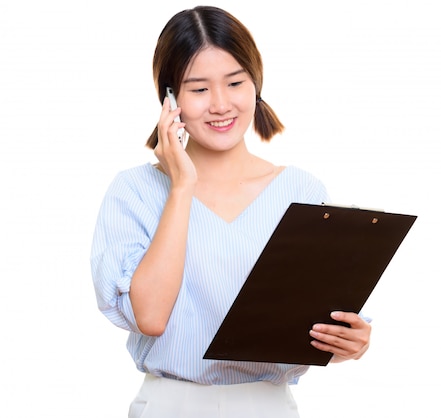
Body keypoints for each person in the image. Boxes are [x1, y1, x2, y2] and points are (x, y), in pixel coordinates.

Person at [90, 6, 371, 418]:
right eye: (198, 89)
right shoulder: (135, 191)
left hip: (269, 405)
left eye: (235, 82)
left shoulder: (300, 190)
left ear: (255, 84)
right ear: (170, 99)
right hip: (172, 406)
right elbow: (149, 317)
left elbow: (308, 315)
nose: (220, 104)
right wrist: (182, 187)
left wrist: (348, 341)